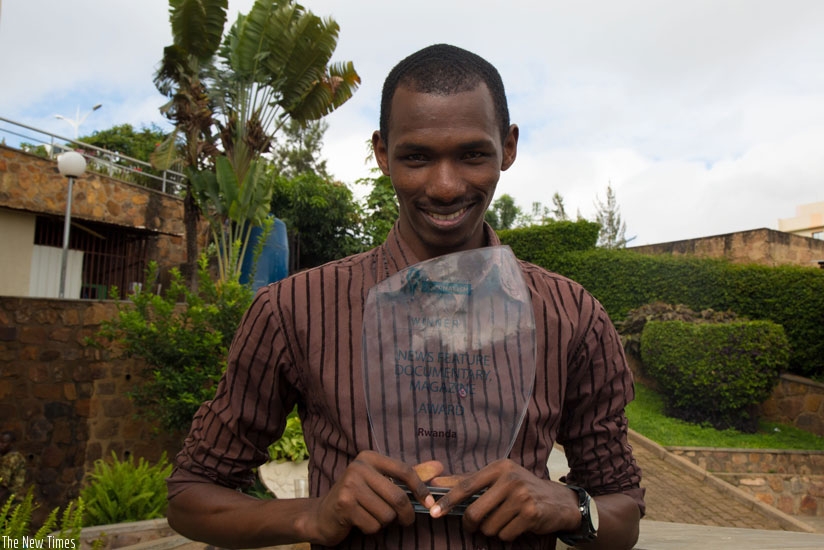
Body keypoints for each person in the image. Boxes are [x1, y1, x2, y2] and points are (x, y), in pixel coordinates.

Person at [167, 43, 644, 549]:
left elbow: (622, 512)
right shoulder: (294, 310)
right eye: (417, 157)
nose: (445, 186)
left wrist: (570, 508)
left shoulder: (571, 315)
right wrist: (311, 516)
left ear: (508, 147)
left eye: (473, 154)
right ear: (381, 153)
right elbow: (191, 498)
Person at [0, 431, 26, 503]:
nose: (0, 445)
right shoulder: (19, 456)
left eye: (3, 443)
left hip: (9, 501)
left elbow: (3, 486)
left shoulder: (8, 460)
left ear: (12, 443)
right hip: (17, 498)